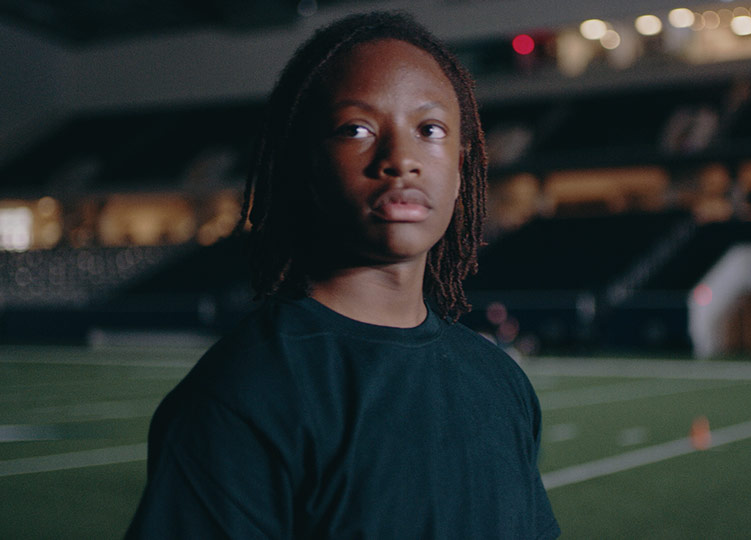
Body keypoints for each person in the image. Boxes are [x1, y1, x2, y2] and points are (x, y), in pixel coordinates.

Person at [125, 12, 560, 539]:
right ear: (305, 162)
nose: (401, 159)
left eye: (429, 130)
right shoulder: (244, 395)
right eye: (357, 129)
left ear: (461, 165)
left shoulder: (501, 382)